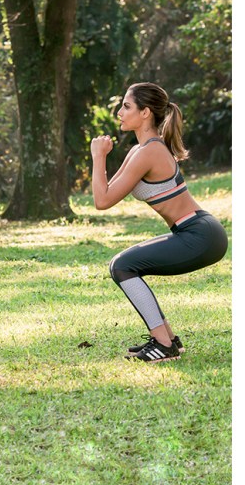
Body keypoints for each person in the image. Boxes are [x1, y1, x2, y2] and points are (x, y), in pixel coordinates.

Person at [90, 82, 228, 363]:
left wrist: (98, 156)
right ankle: (168, 340)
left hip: (200, 234)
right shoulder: (139, 151)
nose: (119, 112)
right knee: (124, 264)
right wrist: (100, 158)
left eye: (126, 106)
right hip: (194, 231)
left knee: (122, 266)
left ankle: (163, 344)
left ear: (145, 113)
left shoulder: (149, 152)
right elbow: (103, 196)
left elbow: (102, 201)